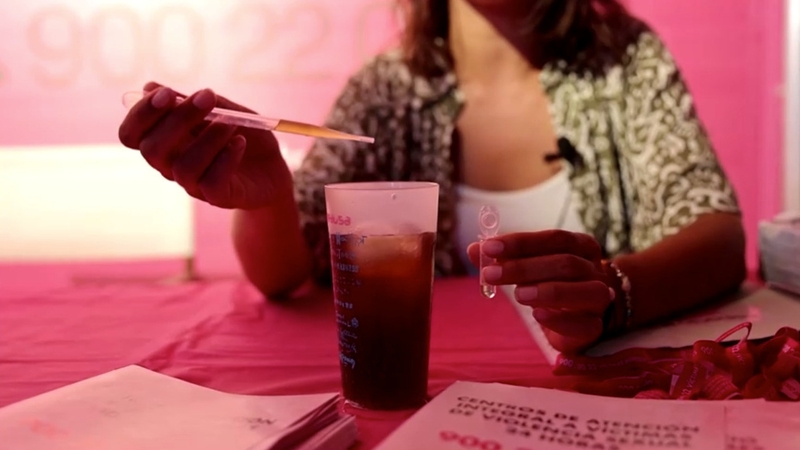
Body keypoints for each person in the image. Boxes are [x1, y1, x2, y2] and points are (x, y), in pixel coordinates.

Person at [118, 0, 746, 354]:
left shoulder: (626, 62)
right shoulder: (387, 90)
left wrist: (610, 294)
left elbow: (716, 233)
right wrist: (265, 197)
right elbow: (285, 274)